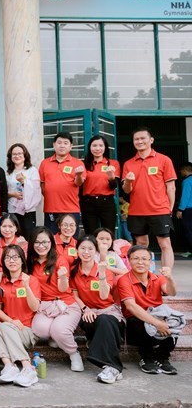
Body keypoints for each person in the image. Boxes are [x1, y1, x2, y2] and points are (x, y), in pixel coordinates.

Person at [69, 236, 125, 384]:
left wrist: (102, 275)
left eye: (90, 249)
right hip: (89, 313)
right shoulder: (74, 271)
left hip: (108, 311)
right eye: (82, 248)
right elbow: (74, 295)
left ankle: (113, 367)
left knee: (105, 320)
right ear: (77, 250)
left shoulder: (104, 269)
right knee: (94, 320)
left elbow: (104, 295)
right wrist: (85, 308)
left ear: (96, 252)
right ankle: (112, 365)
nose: (86, 252)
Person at [27, 226, 83, 372]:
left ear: (51, 243)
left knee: (59, 331)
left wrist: (63, 277)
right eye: (37, 242)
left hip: (66, 303)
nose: (41, 246)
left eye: (45, 242)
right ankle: (55, 336)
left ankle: (74, 353)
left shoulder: (60, 260)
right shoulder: (30, 262)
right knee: (39, 329)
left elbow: (63, 289)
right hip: (45, 305)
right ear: (32, 244)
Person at [118, 245, 179, 375]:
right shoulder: (124, 280)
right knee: (138, 322)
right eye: (136, 258)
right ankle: (146, 358)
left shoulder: (157, 278)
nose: (140, 262)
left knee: (175, 320)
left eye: (144, 259)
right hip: (135, 324)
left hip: (157, 317)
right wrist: (157, 323)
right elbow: (131, 306)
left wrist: (170, 278)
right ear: (129, 260)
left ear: (150, 262)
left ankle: (162, 357)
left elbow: (171, 292)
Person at [123, 129, 177, 269]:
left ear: (151, 140)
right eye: (136, 139)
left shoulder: (164, 160)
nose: (139, 141)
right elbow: (126, 190)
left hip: (160, 210)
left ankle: (166, 277)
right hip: (137, 211)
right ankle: (143, 275)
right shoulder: (128, 164)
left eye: (143, 138)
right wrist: (128, 181)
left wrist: (169, 209)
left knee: (165, 244)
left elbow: (171, 187)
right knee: (141, 245)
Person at [0, 245, 41, 388]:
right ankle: (9, 366)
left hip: (26, 329)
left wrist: (27, 287)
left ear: (22, 260)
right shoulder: (1, 282)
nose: (12, 260)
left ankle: (28, 368)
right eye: (8, 257)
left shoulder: (31, 280)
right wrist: (11, 321)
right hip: (8, 326)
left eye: (15, 257)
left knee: (5, 326)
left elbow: (35, 307)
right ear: (3, 261)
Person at [39, 132, 84, 238]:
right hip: (51, 210)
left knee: (71, 240)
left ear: (71, 146)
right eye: (59, 143)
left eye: (65, 143)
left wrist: (78, 175)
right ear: (54, 145)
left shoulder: (78, 163)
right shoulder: (45, 163)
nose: (62, 145)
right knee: (51, 240)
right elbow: (42, 185)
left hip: (71, 210)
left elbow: (79, 183)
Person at [80, 136, 121, 236]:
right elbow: (79, 185)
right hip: (88, 202)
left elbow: (114, 186)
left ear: (105, 147)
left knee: (108, 234)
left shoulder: (113, 163)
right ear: (90, 147)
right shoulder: (84, 164)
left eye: (100, 145)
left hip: (107, 202)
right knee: (90, 234)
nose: (97, 148)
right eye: (94, 145)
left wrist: (111, 177)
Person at [6, 143, 41, 239]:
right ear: (10, 157)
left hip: (28, 210)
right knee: (13, 236)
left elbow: (36, 189)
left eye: (20, 153)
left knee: (28, 236)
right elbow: (3, 191)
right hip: (12, 209)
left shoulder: (32, 170)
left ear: (25, 155)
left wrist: (23, 181)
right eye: (14, 154)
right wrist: (12, 194)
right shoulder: (8, 173)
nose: (17, 156)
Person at [0, 214, 27, 278]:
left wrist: (21, 248)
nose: (7, 230)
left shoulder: (22, 242)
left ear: (16, 228)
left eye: (10, 226)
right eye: (4, 226)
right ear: (0, 227)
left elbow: (25, 264)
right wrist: (5, 272)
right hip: (1, 276)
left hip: (19, 277)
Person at [177, 162, 192, 257]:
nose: (180, 172)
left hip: (189, 209)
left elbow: (185, 196)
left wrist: (180, 209)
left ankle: (190, 250)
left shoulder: (187, 181)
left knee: (188, 230)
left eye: (181, 170)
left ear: (185, 170)